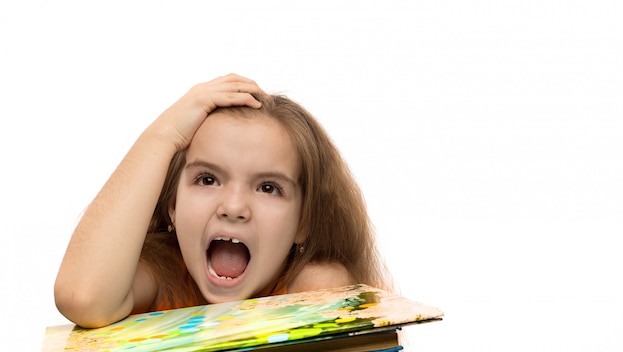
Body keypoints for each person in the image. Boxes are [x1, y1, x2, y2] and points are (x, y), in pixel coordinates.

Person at [54, 73, 391, 329]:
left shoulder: (317, 288)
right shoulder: (160, 277)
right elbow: (82, 297)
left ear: (304, 222)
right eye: (208, 179)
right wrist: (164, 133)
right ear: (172, 204)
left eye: (268, 188)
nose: (233, 207)